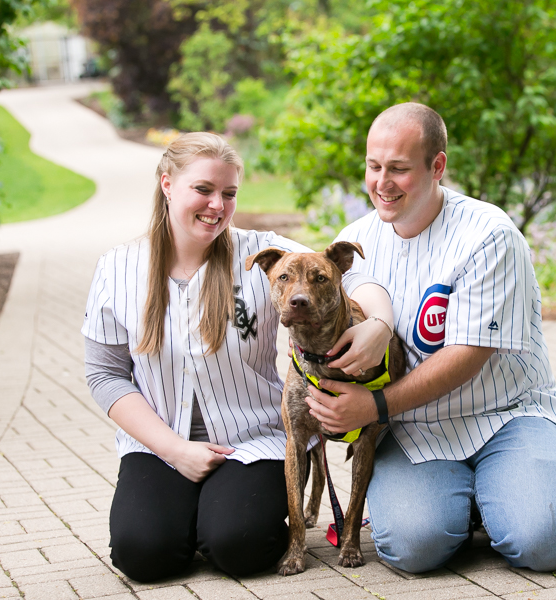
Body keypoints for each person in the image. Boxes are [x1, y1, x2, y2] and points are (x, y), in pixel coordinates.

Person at [82, 132, 393, 582]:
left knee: (240, 548)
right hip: (160, 445)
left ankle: (217, 515)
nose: (217, 206)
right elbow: (106, 375)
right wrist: (176, 451)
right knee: (143, 555)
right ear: (167, 184)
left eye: (228, 194)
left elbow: (355, 275)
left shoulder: (261, 252)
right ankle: (184, 515)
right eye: (203, 190)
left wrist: (378, 327)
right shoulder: (118, 268)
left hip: (251, 442)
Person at [304, 103, 556, 573]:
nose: (382, 182)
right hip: (415, 428)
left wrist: (372, 407)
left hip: (505, 414)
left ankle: (508, 491)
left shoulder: (488, 235)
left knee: (543, 543)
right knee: (413, 549)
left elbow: (468, 355)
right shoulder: (356, 239)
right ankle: (478, 503)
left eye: (399, 168)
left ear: (437, 167)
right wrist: (376, 326)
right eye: (374, 167)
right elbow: (363, 288)